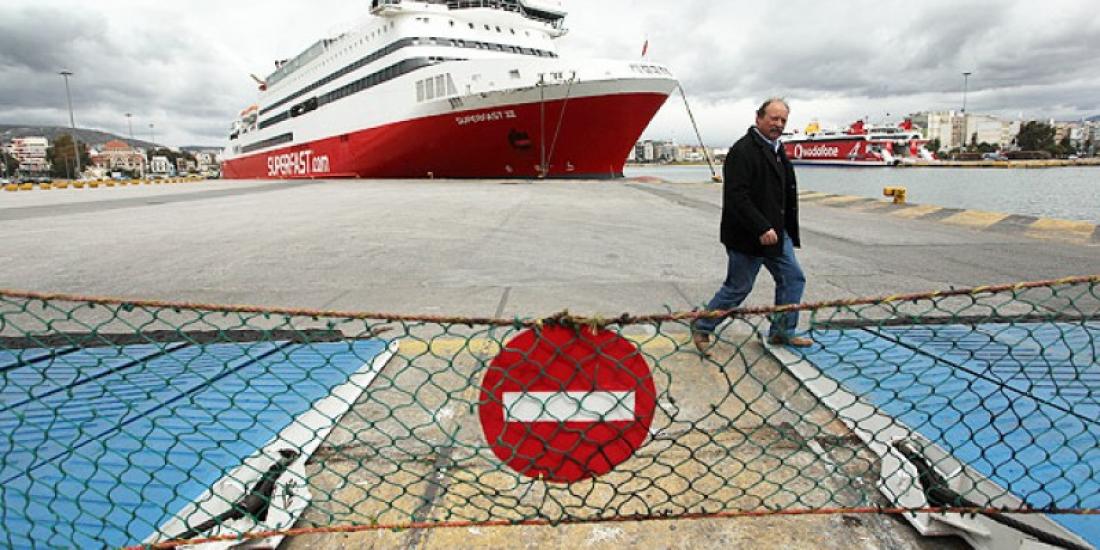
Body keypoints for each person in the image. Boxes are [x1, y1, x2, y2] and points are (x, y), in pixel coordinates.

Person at [693, 97, 812, 352]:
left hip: (777, 234)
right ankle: (702, 326)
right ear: (758, 118)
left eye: (783, 120)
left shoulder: (777, 149)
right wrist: (760, 227)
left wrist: (783, 228)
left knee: (793, 278)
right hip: (748, 235)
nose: (778, 124)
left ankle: (782, 332)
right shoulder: (743, 151)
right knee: (738, 288)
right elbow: (737, 196)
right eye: (773, 118)